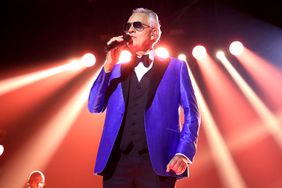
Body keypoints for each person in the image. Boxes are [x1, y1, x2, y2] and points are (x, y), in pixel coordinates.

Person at [88, 7, 200, 188]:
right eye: (128, 26)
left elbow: (191, 113)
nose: (130, 30)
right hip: (116, 163)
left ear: (154, 33)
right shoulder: (115, 69)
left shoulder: (176, 67)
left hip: (158, 161)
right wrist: (107, 66)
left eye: (137, 25)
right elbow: (94, 106)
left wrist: (183, 152)